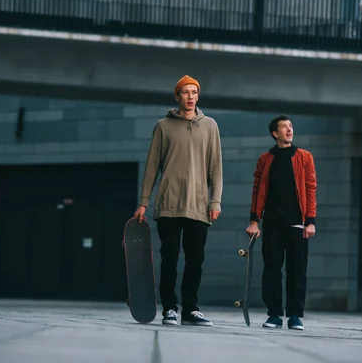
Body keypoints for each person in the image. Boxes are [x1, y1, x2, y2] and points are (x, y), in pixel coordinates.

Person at [133, 74, 223, 327]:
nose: (191, 97)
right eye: (186, 92)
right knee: (170, 257)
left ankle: (190, 309)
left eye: (194, 92)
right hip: (169, 203)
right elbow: (152, 167)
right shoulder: (163, 125)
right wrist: (143, 202)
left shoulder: (210, 125)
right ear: (177, 96)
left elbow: (216, 167)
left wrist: (215, 201)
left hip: (198, 204)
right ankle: (169, 308)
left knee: (196, 260)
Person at [245, 114, 317, 331]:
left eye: (291, 126)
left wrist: (311, 221)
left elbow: (310, 189)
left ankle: (295, 315)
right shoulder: (265, 159)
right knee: (272, 269)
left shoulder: (304, 157)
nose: (289, 130)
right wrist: (254, 220)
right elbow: (257, 191)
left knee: (297, 271)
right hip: (273, 224)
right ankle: (274, 314)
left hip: (298, 224)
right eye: (284, 127)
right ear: (275, 133)